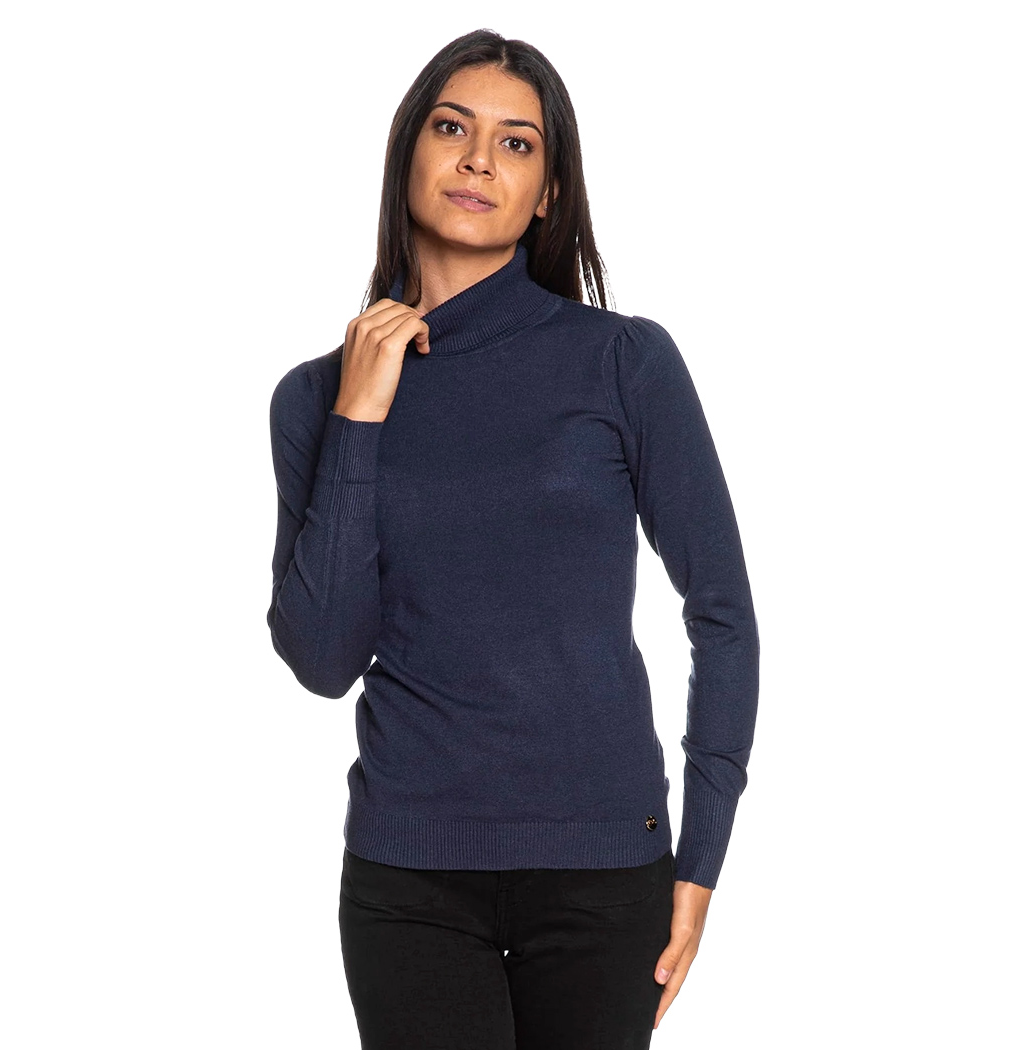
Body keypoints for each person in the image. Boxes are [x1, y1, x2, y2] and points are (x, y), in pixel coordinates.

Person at [266, 27, 760, 1050]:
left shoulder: (621, 362)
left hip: (604, 873)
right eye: (453, 129)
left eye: (517, 143)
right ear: (409, 151)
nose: (480, 159)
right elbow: (322, 658)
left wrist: (702, 857)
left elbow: (724, 616)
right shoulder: (317, 398)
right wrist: (360, 419)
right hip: (409, 880)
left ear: (547, 193)